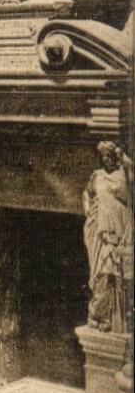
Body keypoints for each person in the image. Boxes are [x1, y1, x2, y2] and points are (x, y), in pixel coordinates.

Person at [83, 140, 133, 332]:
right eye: (104, 156)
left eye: (111, 155)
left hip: (120, 237)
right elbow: (86, 194)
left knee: (117, 279)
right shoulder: (97, 177)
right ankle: (98, 315)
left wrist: (127, 162)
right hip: (102, 237)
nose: (108, 159)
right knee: (102, 276)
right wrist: (88, 210)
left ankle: (111, 320)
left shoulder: (124, 176)